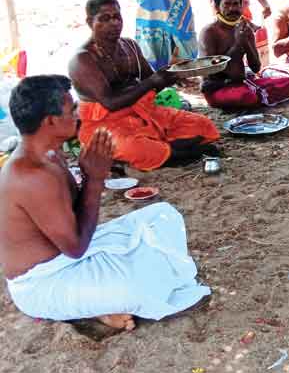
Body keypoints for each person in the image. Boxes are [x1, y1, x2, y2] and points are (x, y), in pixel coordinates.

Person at [0, 75, 210, 330]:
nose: (78, 114)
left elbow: (76, 215)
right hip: (44, 282)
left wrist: (90, 177)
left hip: (73, 255)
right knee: (141, 286)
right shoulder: (31, 175)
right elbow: (75, 246)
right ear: (51, 121)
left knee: (162, 216)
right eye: (72, 109)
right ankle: (94, 309)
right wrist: (94, 180)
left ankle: (96, 302)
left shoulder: (51, 154)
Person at [68, 0, 220, 171]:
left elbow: (153, 82)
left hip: (143, 113)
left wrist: (174, 74)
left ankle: (166, 152)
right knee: (135, 148)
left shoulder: (130, 46)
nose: (114, 23)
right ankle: (182, 153)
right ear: (89, 22)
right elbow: (110, 103)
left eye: (117, 17)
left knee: (203, 125)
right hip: (104, 124)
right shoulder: (82, 59)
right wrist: (152, 82)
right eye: (105, 18)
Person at [199, 0, 289, 110]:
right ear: (217, 7)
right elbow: (211, 73)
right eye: (227, 4)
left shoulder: (244, 29)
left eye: (236, 4)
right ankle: (257, 96)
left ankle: (257, 95)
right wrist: (237, 44)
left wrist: (246, 42)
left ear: (241, 5)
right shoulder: (209, 32)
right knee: (246, 97)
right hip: (218, 88)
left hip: (242, 83)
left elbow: (256, 67)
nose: (232, 9)